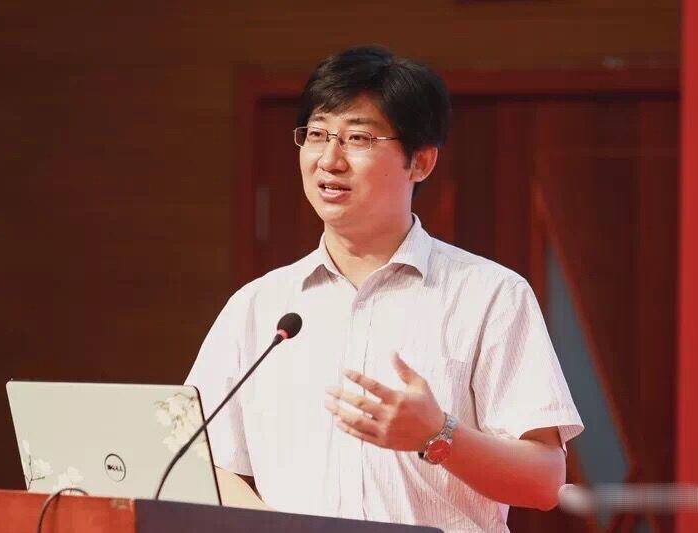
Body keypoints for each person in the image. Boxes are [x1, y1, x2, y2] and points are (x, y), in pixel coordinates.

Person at [186, 45, 583, 532]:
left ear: (421, 162)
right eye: (317, 134)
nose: (329, 160)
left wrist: (438, 434)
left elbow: (544, 481)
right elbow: (201, 462)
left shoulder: (490, 295)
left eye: (358, 138)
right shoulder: (258, 307)